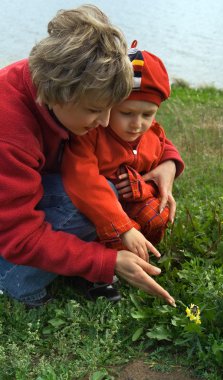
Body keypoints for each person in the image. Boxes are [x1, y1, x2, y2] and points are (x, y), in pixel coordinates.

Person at [0, 5, 180, 308]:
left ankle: (62, 259)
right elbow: (20, 236)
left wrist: (168, 163)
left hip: (25, 199)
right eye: (96, 110)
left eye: (111, 108)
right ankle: (11, 279)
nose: (107, 122)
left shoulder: (70, 91)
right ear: (62, 93)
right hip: (9, 229)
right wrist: (105, 261)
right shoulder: (10, 130)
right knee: (91, 196)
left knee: (111, 187)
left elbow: (138, 133)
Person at [62, 41, 184, 265]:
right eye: (126, 112)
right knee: (112, 235)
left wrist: (146, 186)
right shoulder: (92, 133)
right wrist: (123, 227)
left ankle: (144, 252)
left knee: (157, 215)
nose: (137, 124)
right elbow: (83, 179)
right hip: (102, 209)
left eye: (148, 114)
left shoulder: (153, 134)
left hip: (133, 202)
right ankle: (103, 269)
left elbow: (158, 160)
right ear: (108, 105)